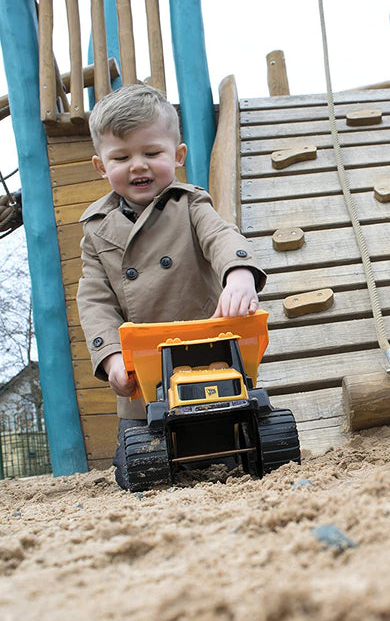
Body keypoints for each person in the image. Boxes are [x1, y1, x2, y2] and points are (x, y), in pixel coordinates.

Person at [76, 84, 267, 488]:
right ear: (100, 166)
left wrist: (239, 273)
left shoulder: (190, 204)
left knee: (231, 425)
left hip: (206, 343)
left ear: (178, 156)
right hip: (143, 362)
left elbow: (222, 237)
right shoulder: (96, 233)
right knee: (142, 457)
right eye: (122, 157)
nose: (138, 166)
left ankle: (241, 447)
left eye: (152, 153)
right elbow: (95, 301)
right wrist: (111, 357)